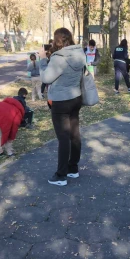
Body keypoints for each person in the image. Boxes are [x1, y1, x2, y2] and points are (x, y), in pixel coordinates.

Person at [42, 28, 86, 186]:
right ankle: (73, 168)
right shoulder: (79, 53)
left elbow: (46, 78)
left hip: (61, 101)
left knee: (63, 138)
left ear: (57, 40)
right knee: (74, 134)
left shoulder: (58, 58)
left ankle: (61, 175)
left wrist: (42, 60)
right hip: (76, 97)